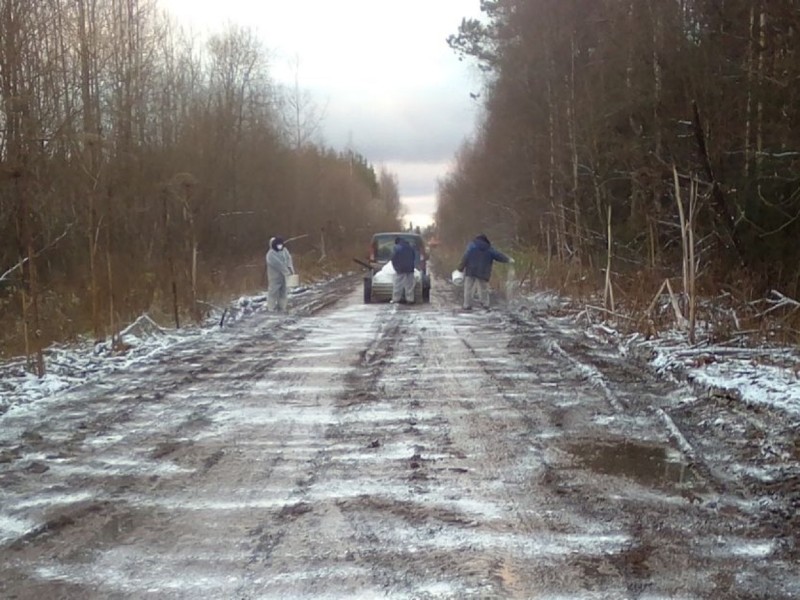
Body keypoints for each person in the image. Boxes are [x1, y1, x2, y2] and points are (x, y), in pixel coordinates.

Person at [457, 233, 513, 310]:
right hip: (483, 271)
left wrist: (460, 268)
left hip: (471, 270)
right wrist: (508, 259)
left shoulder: (471, 246)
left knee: (468, 288)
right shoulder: (489, 248)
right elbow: (498, 255)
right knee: (483, 289)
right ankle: (485, 304)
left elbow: (465, 257)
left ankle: (467, 305)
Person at [266, 236, 294, 311]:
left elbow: (289, 258)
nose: (280, 246)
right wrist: (287, 271)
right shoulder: (270, 255)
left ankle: (282, 307)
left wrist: (290, 268)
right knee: (273, 292)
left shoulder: (284, 250)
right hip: (274, 277)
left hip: (284, 276)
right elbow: (279, 264)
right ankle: (270, 308)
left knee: (283, 292)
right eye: (278, 244)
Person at [390, 237, 416, 304]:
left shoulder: (396, 247)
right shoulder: (410, 247)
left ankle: (396, 299)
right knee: (409, 285)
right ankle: (410, 299)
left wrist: (396, 268)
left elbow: (393, 258)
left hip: (400, 268)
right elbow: (413, 257)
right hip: (410, 268)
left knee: (398, 284)